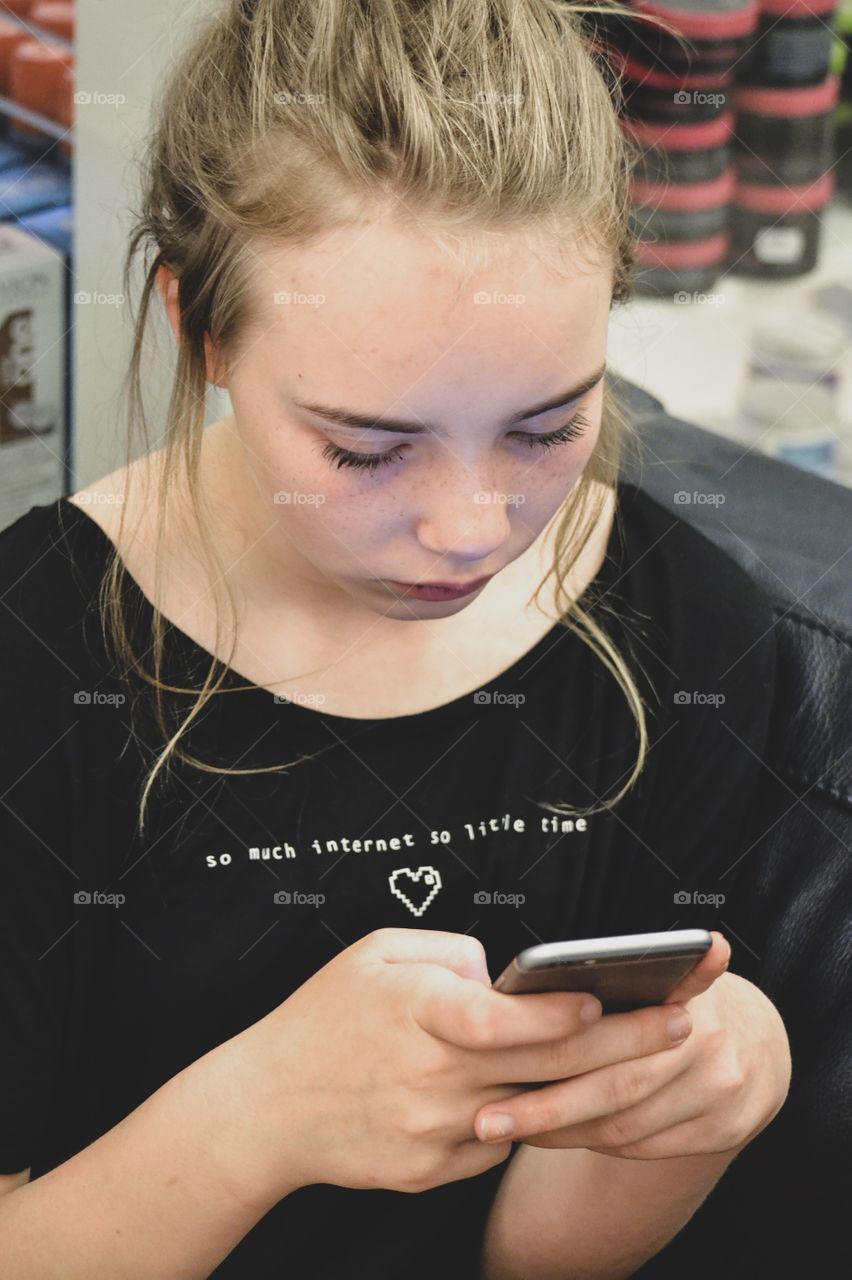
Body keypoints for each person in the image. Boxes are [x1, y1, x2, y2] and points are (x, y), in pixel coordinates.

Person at [0, 2, 791, 1277]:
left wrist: (693, 1108)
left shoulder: (688, 636)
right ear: (200, 327)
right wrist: (260, 1116)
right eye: (366, 448)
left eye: (546, 428)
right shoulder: (32, 667)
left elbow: (533, 1260)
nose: (472, 531)